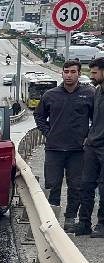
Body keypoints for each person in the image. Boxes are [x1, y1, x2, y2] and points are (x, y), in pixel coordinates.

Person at [34, 60, 95, 231]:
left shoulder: (89, 93)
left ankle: (70, 219)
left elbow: (96, 119)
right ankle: (52, 220)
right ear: (62, 73)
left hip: (78, 150)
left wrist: (88, 136)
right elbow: (39, 116)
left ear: (78, 74)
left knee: (76, 186)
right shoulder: (50, 94)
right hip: (54, 149)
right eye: (66, 71)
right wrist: (48, 133)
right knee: (53, 185)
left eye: (72, 72)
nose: (69, 75)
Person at [75, 57, 104, 237]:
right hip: (92, 146)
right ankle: (84, 222)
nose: (91, 76)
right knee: (85, 185)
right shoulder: (98, 91)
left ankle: (102, 224)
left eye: (94, 72)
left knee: (103, 187)